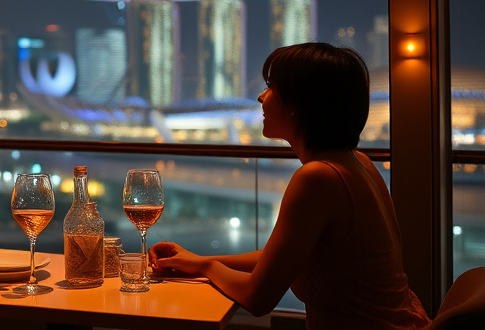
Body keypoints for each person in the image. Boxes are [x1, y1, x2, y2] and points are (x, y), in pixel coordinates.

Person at [148, 42, 430, 329]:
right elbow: (283, 257)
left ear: (298, 104)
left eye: (270, 87)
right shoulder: (359, 162)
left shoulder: (317, 178)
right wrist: (197, 260)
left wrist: (208, 267)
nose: (260, 97)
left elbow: (257, 298)